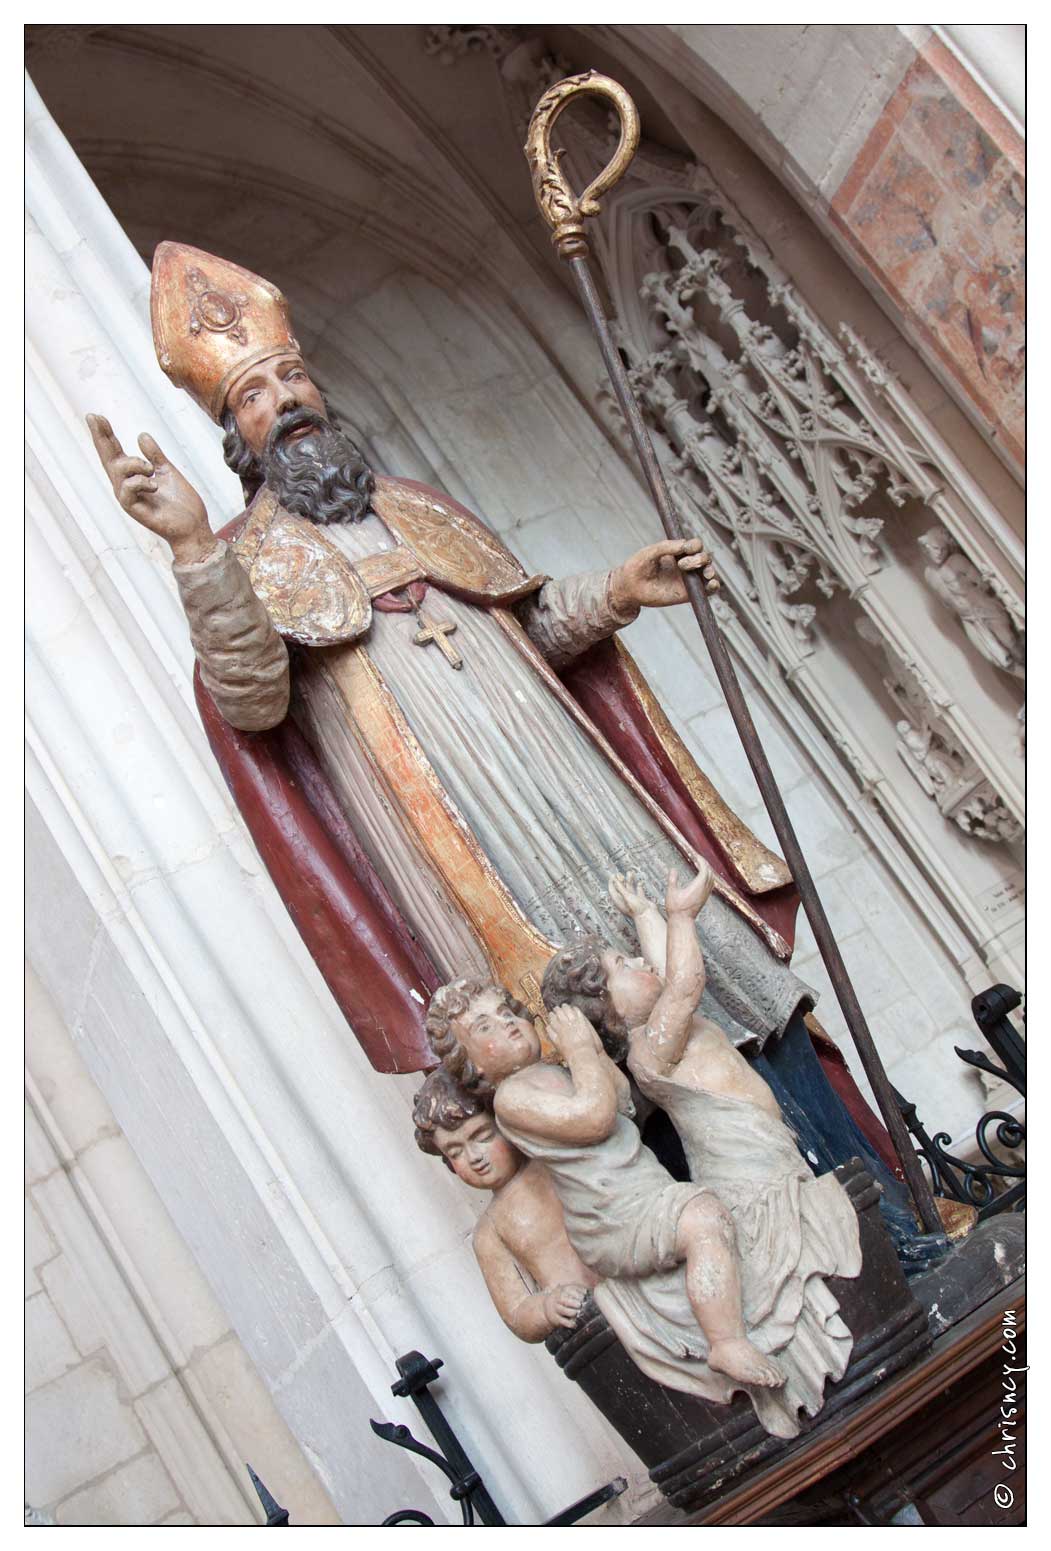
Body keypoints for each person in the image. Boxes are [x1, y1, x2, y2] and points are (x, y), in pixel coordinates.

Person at [85, 240, 814, 1083]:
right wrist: (190, 546)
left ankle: (824, 1128)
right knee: (573, 1038)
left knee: (697, 954)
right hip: (450, 834)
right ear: (235, 437)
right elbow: (252, 701)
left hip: (575, 785)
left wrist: (617, 590)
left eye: (292, 376)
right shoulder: (243, 562)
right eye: (253, 394)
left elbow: (532, 632)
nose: (285, 400)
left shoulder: (419, 507)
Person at [540, 865, 863, 1434]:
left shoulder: (659, 1030)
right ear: (608, 1012)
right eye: (621, 966)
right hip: (744, 1166)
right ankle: (733, 1343)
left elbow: (667, 974)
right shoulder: (649, 1050)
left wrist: (646, 915)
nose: (637, 961)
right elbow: (685, 984)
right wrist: (681, 916)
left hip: (759, 1148)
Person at [425, 976, 786, 1395]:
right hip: (613, 1219)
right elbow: (594, 1120)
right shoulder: (511, 1101)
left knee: (714, 1218)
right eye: (484, 1027)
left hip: (642, 1194)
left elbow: (621, 1103)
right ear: (472, 1068)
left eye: (506, 1013)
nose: (506, 1023)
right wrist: (579, 1052)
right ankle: (726, 1344)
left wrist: (593, 1052)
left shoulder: (553, 1073)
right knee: (704, 1217)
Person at [412, 1067, 596, 1343]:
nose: (474, 1157)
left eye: (482, 1137)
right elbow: (517, 1312)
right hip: (588, 1323)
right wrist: (548, 1307)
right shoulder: (490, 1232)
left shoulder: (556, 1162)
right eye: (455, 1152)